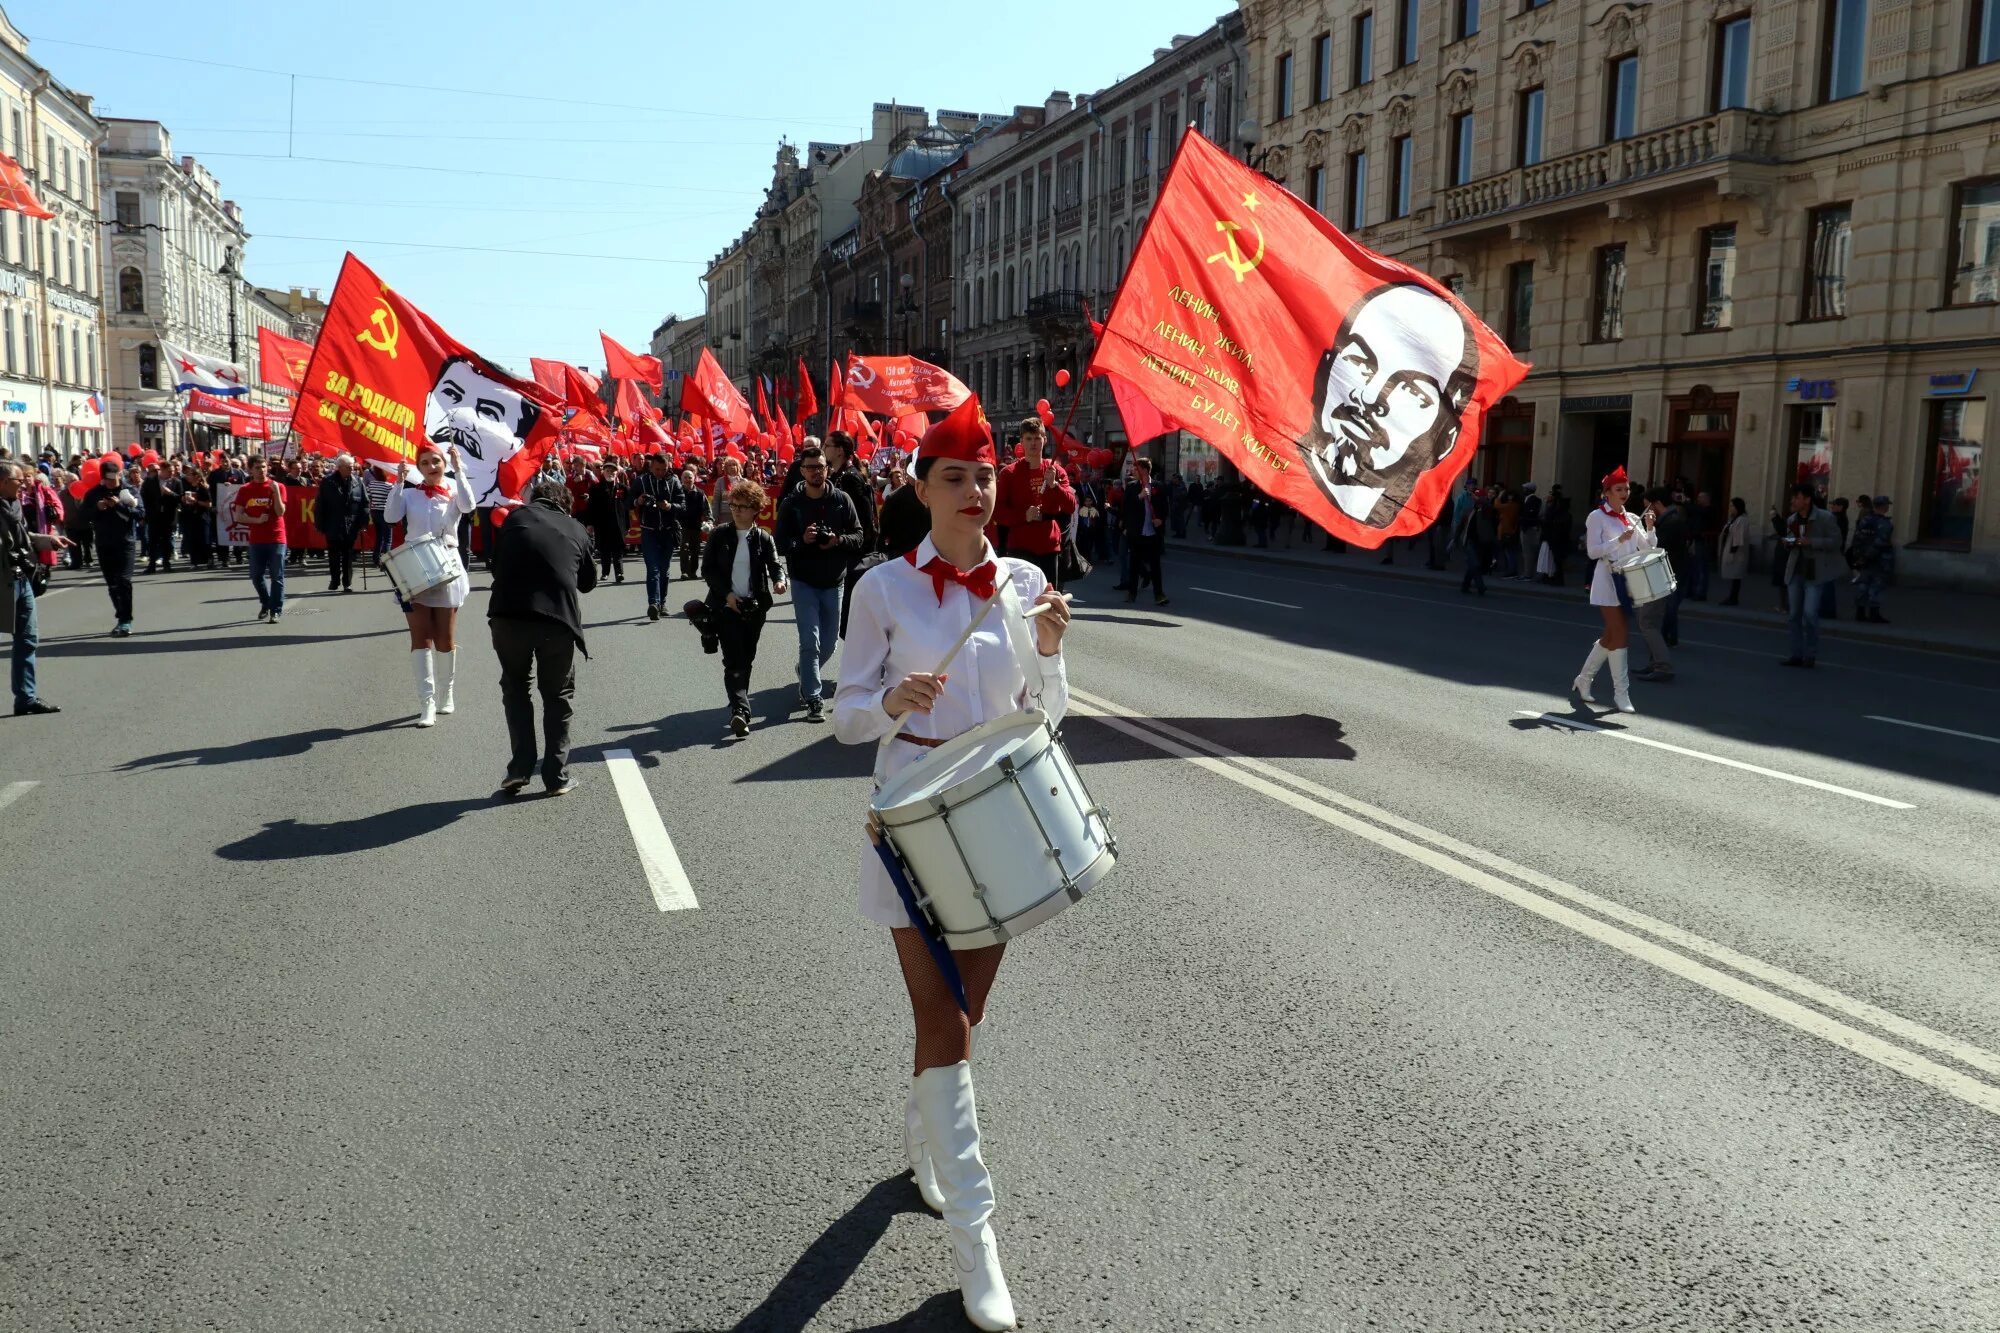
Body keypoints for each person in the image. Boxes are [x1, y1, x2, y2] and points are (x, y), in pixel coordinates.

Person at [832, 393, 1072, 1333]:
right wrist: (891, 696)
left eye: (984, 476)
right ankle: (978, 1237)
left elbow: (1049, 715)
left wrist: (1050, 652)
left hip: (1001, 817)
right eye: (955, 478)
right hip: (912, 814)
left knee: (958, 1017)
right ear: (922, 490)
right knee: (947, 1018)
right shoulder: (881, 588)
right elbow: (844, 716)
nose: (975, 490)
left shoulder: (1024, 580)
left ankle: (926, 1137)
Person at [488, 476, 597, 796]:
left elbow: (497, 567)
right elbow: (588, 582)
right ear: (566, 505)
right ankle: (556, 776)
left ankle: (520, 768)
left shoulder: (514, 519)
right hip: (556, 621)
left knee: (516, 688)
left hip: (508, 617)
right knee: (557, 695)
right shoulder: (575, 527)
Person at [384, 443, 477, 726]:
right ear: (418, 467)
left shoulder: (454, 489)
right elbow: (390, 516)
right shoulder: (410, 494)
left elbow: (470, 506)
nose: (431, 467)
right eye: (424, 463)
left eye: (435, 461)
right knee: (420, 636)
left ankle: (447, 694)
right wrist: (398, 483)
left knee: (445, 638)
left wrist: (460, 471)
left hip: (446, 565)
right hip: (414, 568)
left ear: (444, 463)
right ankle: (427, 703)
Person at [775, 443, 862, 722]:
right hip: (804, 581)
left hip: (834, 580)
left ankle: (806, 670)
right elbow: (780, 543)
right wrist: (802, 541)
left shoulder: (841, 500)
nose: (816, 472)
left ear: (828, 468)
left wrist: (838, 540)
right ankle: (813, 697)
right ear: (802, 471)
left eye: (821, 467)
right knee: (809, 641)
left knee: (829, 643)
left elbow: (859, 536)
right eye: (810, 468)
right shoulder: (792, 504)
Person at [698, 478, 785, 738]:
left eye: (743, 506)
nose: (736, 510)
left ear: (756, 509)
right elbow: (708, 570)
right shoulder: (719, 534)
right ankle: (741, 710)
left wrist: (780, 580)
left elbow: (775, 565)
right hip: (726, 606)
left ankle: (739, 704)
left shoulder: (763, 538)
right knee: (734, 659)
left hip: (754, 608)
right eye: (733, 504)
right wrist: (727, 595)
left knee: (746, 658)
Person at [1573, 466, 1655, 713]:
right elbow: (1592, 552)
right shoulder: (1596, 517)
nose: (1624, 493)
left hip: (1627, 581)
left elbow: (1649, 548)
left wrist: (1650, 527)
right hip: (1607, 579)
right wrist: (1618, 540)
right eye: (1619, 489)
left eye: (1626, 488)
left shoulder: (1631, 518)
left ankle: (1584, 679)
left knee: (1611, 635)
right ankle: (1622, 694)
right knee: (1620, 633)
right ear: (1606, 492)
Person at [3, 460, 70, 714]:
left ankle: (26, 698)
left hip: (21, 579)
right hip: (3, 581)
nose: (23, 486)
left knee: (28, 639)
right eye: (19, 481)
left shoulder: (15, 505)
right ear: (3, 482)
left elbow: (26, 537)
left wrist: (49, 540)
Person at [992, 417, 1076, 589]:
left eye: (1037, 438)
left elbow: (1071, 506)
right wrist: (1024, 515)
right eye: (1029, 438)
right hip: (1020, 546)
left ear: (1044, 440)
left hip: (1049, 546)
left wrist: (1054, 486)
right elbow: (998, 512)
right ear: (1021, 441)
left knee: (1048, 601)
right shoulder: (1009, 473)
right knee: (1021, 602)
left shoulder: (1056, 471)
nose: (1033, 443)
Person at [1780, 482, 1843, 668]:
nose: (1793, 501)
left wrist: (1811, 542)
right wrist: (1788, 542)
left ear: (1807, 500)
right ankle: (1796, 654)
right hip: (1795, 570)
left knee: (1809, 614)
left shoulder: (1825, 517)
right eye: (1793, 498)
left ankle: (1810, 654)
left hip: (1815, 571)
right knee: (1793, 615)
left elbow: (1836, 541)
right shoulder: (1792, 520)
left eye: (1797, 497)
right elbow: (1791, 540)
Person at [823, 431, 877, 636]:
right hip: (844, 550)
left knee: (849, 618)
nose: (824, 449)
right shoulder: (839, 476)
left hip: (852, 552)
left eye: (827, 445)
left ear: (839, 451)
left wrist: (848, 541)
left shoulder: (850, 479)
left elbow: (862, 519)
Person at [81, 455, 142, 636]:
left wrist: (119, 506)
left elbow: (140, 514)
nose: (111, 483)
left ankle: (125, 620)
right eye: (107, 479)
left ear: (120, 474)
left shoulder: (129, 490)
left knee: (124, 581)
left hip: (126, 542)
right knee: (112, 584)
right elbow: (82, 516)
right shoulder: (93, 493)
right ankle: (121, 613)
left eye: (114, 478)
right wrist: (97, 508)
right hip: (104, 542)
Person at [231, 455, 289, 623]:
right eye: (257, 467)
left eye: (264, 467)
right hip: (257, 539)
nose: (261, 470)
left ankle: (276, 610)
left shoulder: (278, 486)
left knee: (277, 576)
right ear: (250, 469)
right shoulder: (245, 489)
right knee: (256, 576)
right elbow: (239, 516)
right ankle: (266, 601)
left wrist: (276, 492)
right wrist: (256, 520)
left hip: (277, 537)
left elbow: (280, 512)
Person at [1630, 495, 1678, 682]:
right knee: (1648, 622)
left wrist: (1650, 528)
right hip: (1647, 578)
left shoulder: (1636, 524)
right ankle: (1655, 663)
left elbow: (1652, 549)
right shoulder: (1640, 524)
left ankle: (1663, 666)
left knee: (1648, 623)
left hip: (1654, 577)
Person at [628, 453, 681, 619]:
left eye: (664, 469)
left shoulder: (674, 481)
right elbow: (627, 502)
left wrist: (670, 506)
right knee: (653, 569)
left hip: (668, 530)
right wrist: (639, 501)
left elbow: (682, 505)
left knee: (664, 570)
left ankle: (662, 602)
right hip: (649, 531)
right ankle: (653, 603)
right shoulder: (641, 481)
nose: (660, 472)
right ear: (651, 467)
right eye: (657, 469)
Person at [315, 454, 371, 593]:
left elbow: (365, 503)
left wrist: (363, 522)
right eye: (348, 467)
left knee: (348, 555)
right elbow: (320, 504)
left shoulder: (358, 481)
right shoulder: (328, 482)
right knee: (333, 555)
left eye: (352, 467)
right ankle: (335, 580)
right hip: (332, 524)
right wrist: (320, 523)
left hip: (350, 525)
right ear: (339, 468)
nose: (351, 470)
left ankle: (347, 583)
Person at [1119, 456, 1170, 606]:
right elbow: (1126, 508)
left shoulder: (1159, 487)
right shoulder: (1132, 487)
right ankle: (1132, 593)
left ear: (1145, 470)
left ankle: (1159, 594)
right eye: (1133, 468)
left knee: (1155, 565)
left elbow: (1165, 508)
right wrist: (1139, 497)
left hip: (1153, 533)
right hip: (1137, 532)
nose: (1133, 470)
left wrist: (1160, 519)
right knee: (1134, 564)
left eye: (1137, 468)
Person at [1850, 494, 1894, 624]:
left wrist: (1859, 557)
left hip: (1863, 557)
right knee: (1877, 584)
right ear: (1884, 507)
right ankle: (1874, 613)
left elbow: (1857, 538)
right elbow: (1880, 542)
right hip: (1879, 559)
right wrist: (1869, 556)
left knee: (1863, 583)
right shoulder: (1884, 523)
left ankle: (1860, 611)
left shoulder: (1865, 520)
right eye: (1886, 505)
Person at [141, 459, 184, 573]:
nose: (172, 473)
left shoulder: (176, 482)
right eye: (169, 471)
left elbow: (180, 498)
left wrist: (170, 493)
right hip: (154, 516)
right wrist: (148, 513)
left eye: (173, 471)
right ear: (162, 470)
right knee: (153, 541)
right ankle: (151, 565)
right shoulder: (150, 481)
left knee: (167, 541)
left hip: (168, 516)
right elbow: (145, 498)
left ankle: (166, 563)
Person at [1455, 488, 1496, 596]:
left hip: (1482, 543)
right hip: (1470, 542)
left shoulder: (1486, 511)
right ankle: (1481, 586)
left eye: (1478, 497)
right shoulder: (1468, 511)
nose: (1475, 499)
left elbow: (1489, 507)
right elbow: (1460, 527)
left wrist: (1480, 500)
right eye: (1474, 497)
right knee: (1475, 564)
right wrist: (1455, 540)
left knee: (1473, 565)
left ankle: (1465, 585)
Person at [675, 463, 706, 580]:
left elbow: (706, 508)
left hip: (696, 525)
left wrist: (709, 518)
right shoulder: (678, 492)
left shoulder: (700, 493)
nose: (688, 479)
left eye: (690, 477)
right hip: (682, 525)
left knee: (695, 549)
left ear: (694, 479)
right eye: (685, 477)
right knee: (684, 548)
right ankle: (684, 571)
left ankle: (693, 571)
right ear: (681, 479)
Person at [1717, 497, 1751, 606]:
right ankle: (1732, 597)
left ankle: (1733, 598)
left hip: (1737, 552)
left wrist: (1732, 552)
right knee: (1733, 575)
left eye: (1732, 506)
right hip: (1731, 549)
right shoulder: (1733, 519)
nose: (1730, 508)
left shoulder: (1741, 520)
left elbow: (1737, 538)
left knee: (1736, 575)